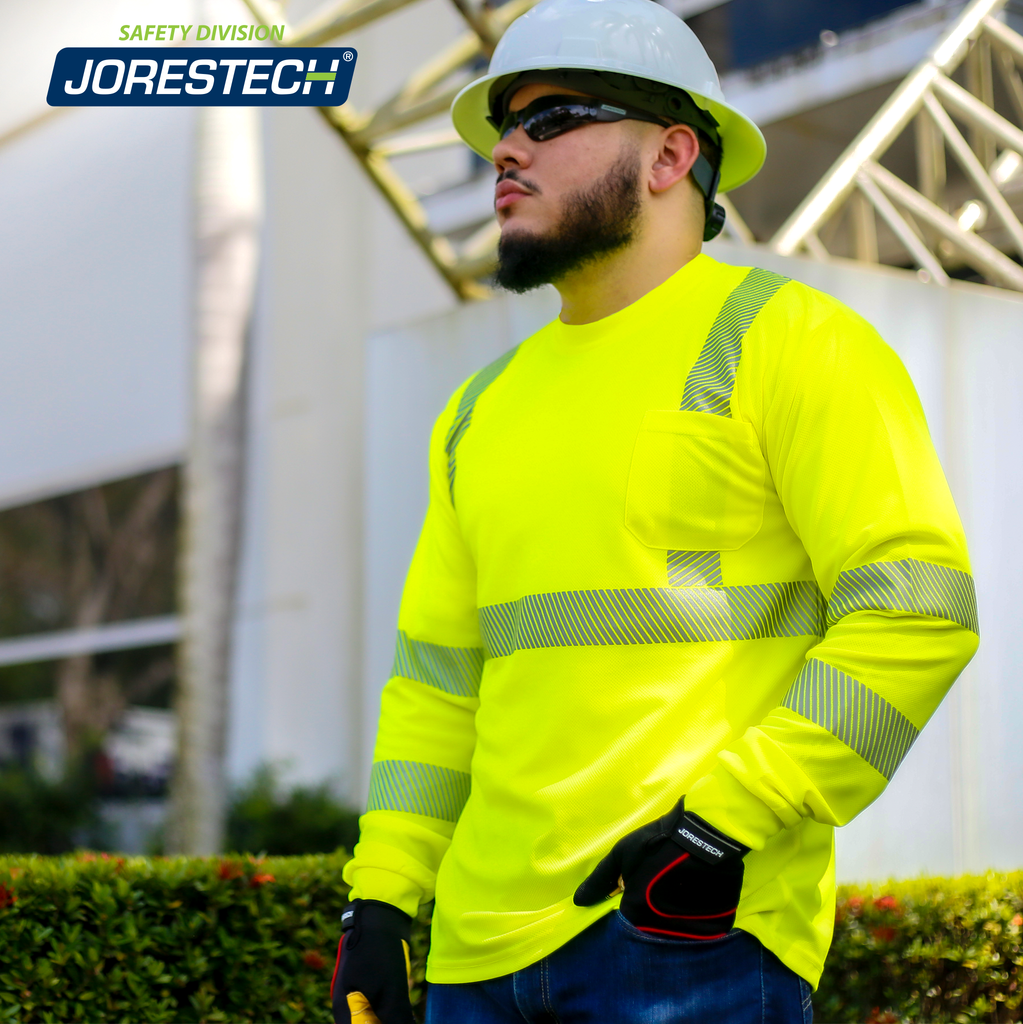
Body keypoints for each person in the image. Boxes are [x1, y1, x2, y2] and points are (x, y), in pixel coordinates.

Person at [331, 0, 980, 1020]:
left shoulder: (795, 344)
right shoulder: (478, 409)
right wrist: (379, 899)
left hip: (690, 936)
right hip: (471, 954)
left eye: (551, 120)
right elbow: (436, 685)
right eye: (504, 127)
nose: (504, 150)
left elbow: (917, 612)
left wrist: (728, 822)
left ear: (672, 153)